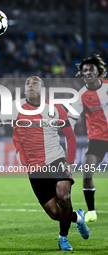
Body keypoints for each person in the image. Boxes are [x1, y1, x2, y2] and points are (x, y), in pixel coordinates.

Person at [0, 76, 90, 251]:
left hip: (56, 160)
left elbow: (70, 136)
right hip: (34, 168)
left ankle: (63, 238)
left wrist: (69, 161)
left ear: (43, 89)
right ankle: (77, 217)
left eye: (34, 83)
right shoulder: (15, 108)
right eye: (27, 84)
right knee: (56, 214)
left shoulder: (56, 109)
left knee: (64, 196)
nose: (30, 86)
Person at [68, 54, 108, 223]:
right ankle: (91, 211)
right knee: (87, 171)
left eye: (91, 69)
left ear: (99, 71)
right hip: (98, 139)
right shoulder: (81, 95)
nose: (88, 72)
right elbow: (70, 120)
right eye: (85, 70)